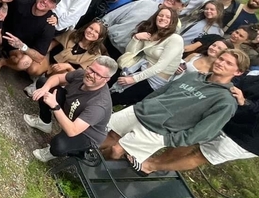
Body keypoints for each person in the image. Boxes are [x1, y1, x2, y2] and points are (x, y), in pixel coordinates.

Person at [143, 44, 259, 172]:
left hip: (249, 138)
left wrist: (248, 104)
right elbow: (235, 82)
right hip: (229, 120)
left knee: (201, 155)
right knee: (192, 139)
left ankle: (151, 167)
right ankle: (155, 162)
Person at [100, 49, 249, 174]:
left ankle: (93, 168)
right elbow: (164, 91)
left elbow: (204, 131)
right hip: (140, 111)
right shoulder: (194, 76)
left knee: (116, 151)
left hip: (158, 131)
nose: (220, 63)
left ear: (238, 72)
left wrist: (170, 140)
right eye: (221, 58)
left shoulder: (226, 101)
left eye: (228, 63)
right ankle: (82, 155)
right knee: (107, 134)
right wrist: (144, 103)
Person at [24, 57, 119, 162]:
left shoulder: (99, 105)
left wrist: (55, 106)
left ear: (107, 79)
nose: (91, 75)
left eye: (98, 74)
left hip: (86, 134)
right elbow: (58, 78)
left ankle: (55, 152)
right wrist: (45, 89)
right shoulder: (82, 74)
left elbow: (72, 130)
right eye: (91, 69)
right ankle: (44, 122)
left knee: (58, 144)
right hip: (72, 111)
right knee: (43, 83)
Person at [111, 7, 184, 106]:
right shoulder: (152, 33)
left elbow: (160, 66)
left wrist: (134, 79)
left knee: (115, 98)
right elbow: (131, 52)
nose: (163, 18)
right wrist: (136, 38)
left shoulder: (175, 39)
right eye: (160, 15)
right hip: (139, 67)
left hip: (153, 79)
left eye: (168, 17)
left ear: (173, 22)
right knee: (108, 82)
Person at [0, 0, 62, 79]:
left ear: (54, 7)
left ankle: (2, 62)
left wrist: (22, 46)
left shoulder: (49, 26)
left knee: (25, 62)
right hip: (2, 34)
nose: (45, 1)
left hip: (18, 48)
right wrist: (4, 6)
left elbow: (40, 57)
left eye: (51, 1)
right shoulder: (22, 1)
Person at [102, 0, 189, 59]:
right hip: (105, 39)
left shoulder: (174, 26)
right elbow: (116, 14)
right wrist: (101, 25)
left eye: (177, 0)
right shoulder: (146, 3)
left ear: (182, 7)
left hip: (121, 55)